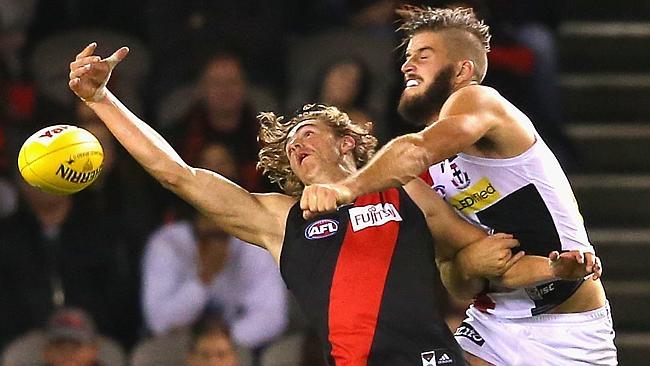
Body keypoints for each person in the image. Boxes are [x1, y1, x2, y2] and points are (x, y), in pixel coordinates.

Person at [67, 43, 596, 365]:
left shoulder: (406, 190)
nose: (297, 143)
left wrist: (555, 267)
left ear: (346, 143)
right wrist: (102, 101)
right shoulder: (278, 219)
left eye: (309, 132)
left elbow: (480, 258)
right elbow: (175, 174)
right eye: (290, 141)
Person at [299, 6, 616, 365]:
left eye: (424, 55)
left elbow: (415, 150)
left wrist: (344, 189)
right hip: (491, 326)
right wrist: (469, 262)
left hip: (568, 331)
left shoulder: (479, 102)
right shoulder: (418, 179)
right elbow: (457, 283)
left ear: (463, 70)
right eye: (407, 57)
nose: (407, 65)